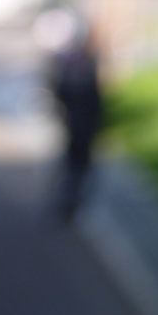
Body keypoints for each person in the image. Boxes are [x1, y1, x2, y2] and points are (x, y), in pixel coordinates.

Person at [52, 33, 102, 220]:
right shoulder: (83, 78)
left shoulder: (73, 76)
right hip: (79, 129)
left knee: (75, 166)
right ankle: (69, 201)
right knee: (76, 166)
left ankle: (69, 200)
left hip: (79, 128)